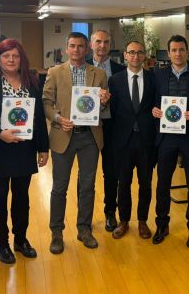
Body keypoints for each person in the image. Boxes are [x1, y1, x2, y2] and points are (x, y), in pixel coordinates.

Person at [42, 31, 110, 253]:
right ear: (66, 48)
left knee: (87, 186)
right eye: (72, 46)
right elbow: (47, 103)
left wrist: (104, 102)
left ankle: (84, 229)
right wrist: (57, 118)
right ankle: (56, 232)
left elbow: (101, 108)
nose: (76, 50)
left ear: (86, 48)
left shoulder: (98, 74)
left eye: (80, 46)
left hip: (89, 136)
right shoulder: (54, 72)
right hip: (63, 135)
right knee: (59, 187)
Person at [0, 38, 49, 264]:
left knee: (22, 198)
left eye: (15, 56)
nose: (11, 60)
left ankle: (20, 240)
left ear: (21, 58)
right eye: (6, 56)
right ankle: (2, 244)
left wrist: (43, 147)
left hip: (24, 148)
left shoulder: (31, 81)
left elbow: (39, 116)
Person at [151, 35, 189, 248]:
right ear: (168, 52)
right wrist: (154, 110)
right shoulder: (158, 75)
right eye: (173, 50)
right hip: (166, 137)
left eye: (181, 50)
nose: (178, 53)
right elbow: (153, 102)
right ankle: (161, 224)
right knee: (163, 183)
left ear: (187, 51)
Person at [108, 40, 157, 240]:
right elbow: (111, 112)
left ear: (144, 55)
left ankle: (143, 221)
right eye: (131, 53)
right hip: (123, 142)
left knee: (145, 183)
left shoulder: (155, 79)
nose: (135, 56)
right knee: (123, 183)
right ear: (125, 56)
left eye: (139, 52)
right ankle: (124, 221)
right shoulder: (115, 80)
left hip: (147, 141)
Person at [86, 29, 125, 232]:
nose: (102, 45)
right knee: (87, 174)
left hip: (112, 127)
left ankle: (110, 211)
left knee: (111, 173)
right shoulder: (81, 68)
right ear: (91, 44)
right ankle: (85, 218)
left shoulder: (120, 70)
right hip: (88, 128)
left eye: (106, 42)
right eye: (98, 42)